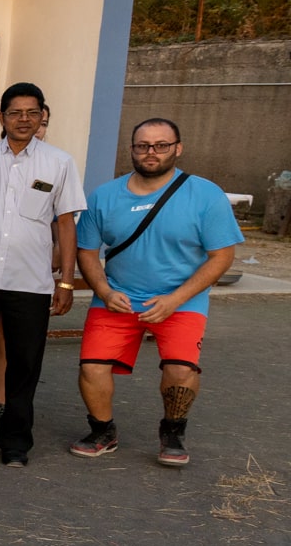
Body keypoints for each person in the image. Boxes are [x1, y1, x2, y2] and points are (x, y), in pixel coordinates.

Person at [70, 118, 242, 468]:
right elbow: (86, 250)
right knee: (91, 367)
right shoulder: (104, 195)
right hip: (118, 298)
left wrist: (175, 299)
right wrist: (102, 288)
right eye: (143, 145)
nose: (152, 153)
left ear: (178, 148)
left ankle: (173, 431)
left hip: (181, 301)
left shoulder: (205, 194)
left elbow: (222, 255)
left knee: (181, 370)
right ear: (132, 149)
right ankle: (103, 430)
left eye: (161, 145)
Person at [0, 83, 85, 466]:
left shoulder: (59, 163)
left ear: (42, 116)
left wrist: (67, 280)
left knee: (26, 365)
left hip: (31, 283)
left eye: (31, 112)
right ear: (2, 118)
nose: (23, 119)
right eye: (15, 112)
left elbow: (67, 224)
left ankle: (16, 442)